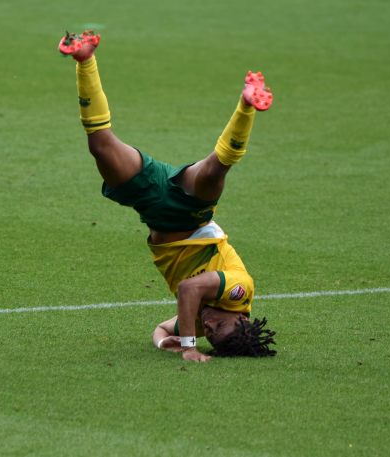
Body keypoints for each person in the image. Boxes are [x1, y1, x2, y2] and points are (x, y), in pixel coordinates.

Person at [58, 31, 276, 362]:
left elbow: (160, 329)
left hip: (154, 209)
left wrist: (167, 342)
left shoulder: (200, 321)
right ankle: (247, 104)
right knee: (214, 171)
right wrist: (189, 347)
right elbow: (190, 288)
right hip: (190, 215)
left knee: (99, 145)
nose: (211, 326)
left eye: (210, 335)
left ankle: (85, 58)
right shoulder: (238, 291)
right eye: (220, 326)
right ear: (242, 319)